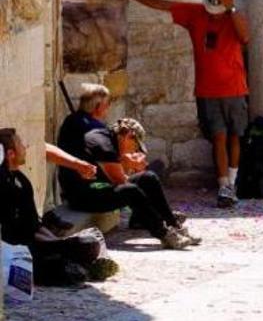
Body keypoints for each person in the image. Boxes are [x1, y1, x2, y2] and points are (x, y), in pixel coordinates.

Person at [118, 0, 249, 208]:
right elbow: (162, 4)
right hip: (207, 90)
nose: (213, 16)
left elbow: (245, 37)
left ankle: (233, 182)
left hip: (235, 88)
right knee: (218, 137)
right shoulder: (195, 14)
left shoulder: (233, 17)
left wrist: (233, 8)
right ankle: (224, 186)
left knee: (235, 136)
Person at [0, 128, 119, 286]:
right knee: (62, 263)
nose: (25, 147)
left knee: (86, 243)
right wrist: (58, 246)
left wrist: (58, 243)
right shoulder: (5, 184)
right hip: (16, 251)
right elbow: (20, 232)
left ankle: (76, 263)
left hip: (35, 244)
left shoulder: (21, 179)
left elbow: (35, 225)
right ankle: (79, 266)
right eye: (20, 144)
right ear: (10, 154)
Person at [62, 118, 199, 249]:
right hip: (82, 197)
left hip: (95, 188)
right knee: (130, 190)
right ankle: (164, 234)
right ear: (128, 136)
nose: (133, 151)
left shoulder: (108, 138)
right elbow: (121, 182)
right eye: (135, 146)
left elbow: (119, 178)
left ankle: (174, 224)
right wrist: (130, 164)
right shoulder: (104, 145)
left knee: (148, 177)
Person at [49, 83, 112, 233]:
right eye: (107, 104)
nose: (108, 108)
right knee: (137, 185)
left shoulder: (70, 120)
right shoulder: (95, 128)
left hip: (70, 189)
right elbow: (109, 169)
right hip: (87, 192)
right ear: (98, 107)